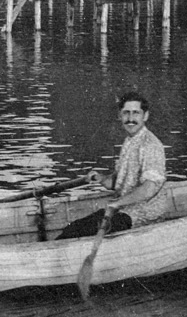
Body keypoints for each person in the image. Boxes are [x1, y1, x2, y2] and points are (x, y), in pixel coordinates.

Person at [57, 91, 169, 239]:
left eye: (136, 113)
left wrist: (117, 203)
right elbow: (117, 183)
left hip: (144, 216)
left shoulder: (150, 145)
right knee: (72, 229)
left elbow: (149, 189)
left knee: (77, 233)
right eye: (126, 113)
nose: (130, 119)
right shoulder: (130, 141)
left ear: (145, 116)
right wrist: (101, 178)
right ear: (120, 116)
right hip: (122, 210)